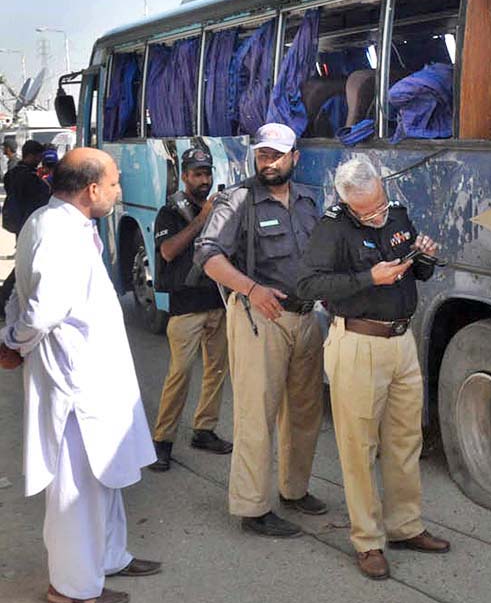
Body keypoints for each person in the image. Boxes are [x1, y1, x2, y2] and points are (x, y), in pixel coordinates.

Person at [0, 148, 160, 603]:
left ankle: (109, 557)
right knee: (75, 486)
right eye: (113, 183)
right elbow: (41, 310)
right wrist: (14, 341)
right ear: (91, 189)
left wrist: (13, 334)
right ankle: (72, 588)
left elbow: (19, 288)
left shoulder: (64, 224)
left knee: (103, 474)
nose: (117, 191)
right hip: (73, 381)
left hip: (95, 373)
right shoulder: (57, 233)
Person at [297, 157, 448, 579]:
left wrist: (425, 258)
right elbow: (307, 286)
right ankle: (367, 541)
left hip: (402, 342)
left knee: (404, 440)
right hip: (358, 343)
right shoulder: (333, 229)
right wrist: (369, 279)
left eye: (380, 205)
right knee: (359, 447)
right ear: (347, 203)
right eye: (368, 212)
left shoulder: (395, 212)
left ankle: (405, 526)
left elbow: (415, 268)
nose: (379, 215)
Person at [194, 122, 327, 537]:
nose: (267, 162)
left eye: (276, 155)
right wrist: (250, 289)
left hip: (306, 318)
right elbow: (208, 256)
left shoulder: (308, 200)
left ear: (294, 158)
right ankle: (253, 508)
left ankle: (294, 490)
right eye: (262, 154)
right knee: (257, 414)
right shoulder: (238, 200)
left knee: (305, 412)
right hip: (260, 318)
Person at [148, 146, 233, 472]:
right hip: (186, 308)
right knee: (180, 374)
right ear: (184, 177)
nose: (204, 180)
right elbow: (168, 251)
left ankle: (204, 429)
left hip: (217, 303)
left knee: (216, 371)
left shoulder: (219, 208)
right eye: (197, 174)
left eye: (207, 173)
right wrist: (202, 218)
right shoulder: (171, 212)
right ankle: (162, 441)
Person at [1, 140, 51, 313]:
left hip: (18, 223)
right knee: (25, 265)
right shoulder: (29, 178)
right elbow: (43, 198)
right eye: (38, 156)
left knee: (23, 263)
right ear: (31, 155)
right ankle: (4, 301)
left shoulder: (14, 173)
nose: (40, 160)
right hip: (28, 224)